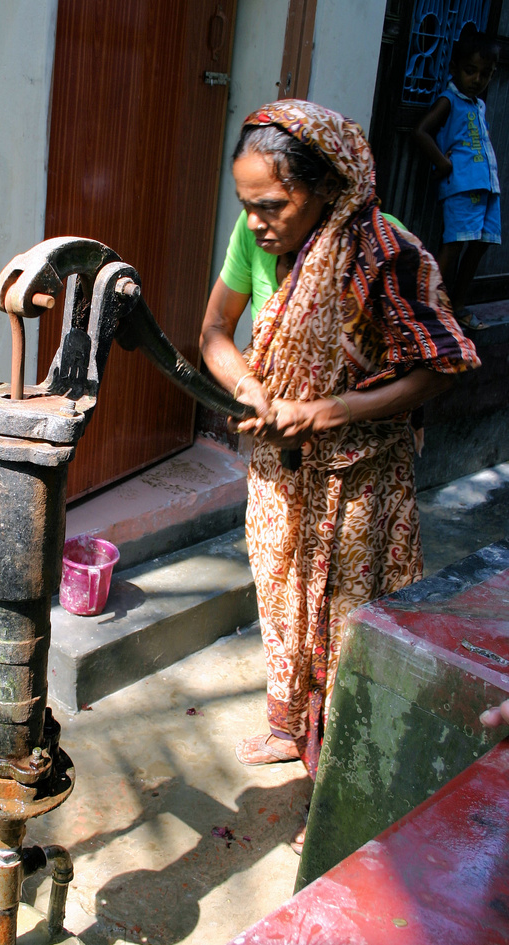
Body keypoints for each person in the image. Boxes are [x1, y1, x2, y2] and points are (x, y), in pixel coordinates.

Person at [200, 101, 480, 848]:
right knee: (281, 595)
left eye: (271, 206)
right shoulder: (253, 237)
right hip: (279, 464)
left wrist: (329, 412)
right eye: (247, 207)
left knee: (343, 617)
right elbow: (213, 336)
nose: (257, 223)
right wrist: (249, 389)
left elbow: (441, 369)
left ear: (327, 187)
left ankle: (335, 772)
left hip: (357, 476)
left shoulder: (385, 253)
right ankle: (288, 725)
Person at [414, 27, 500, 330]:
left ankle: (458, 304)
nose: (477, 80)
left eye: (485, 74)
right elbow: (421, 131)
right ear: (454, 70)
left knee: (480, 245)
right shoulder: (449, 100)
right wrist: (443, 164)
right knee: (453, 247)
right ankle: (425, 306)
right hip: (462, 186)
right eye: (470, 71)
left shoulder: (478, 104)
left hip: (486, 186)